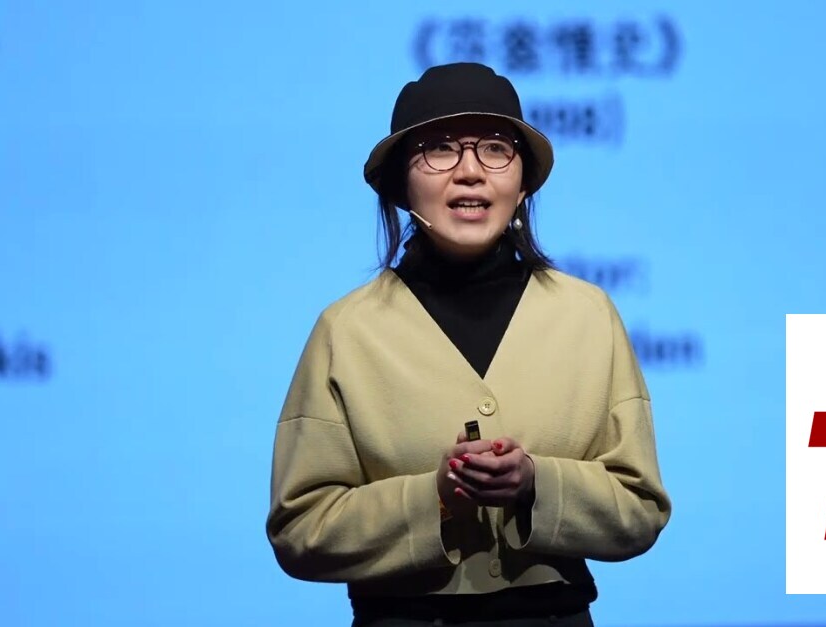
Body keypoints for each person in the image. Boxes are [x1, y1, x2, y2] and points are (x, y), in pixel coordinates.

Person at [266, 62, 671, 627]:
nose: (470, 173)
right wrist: (433, 498)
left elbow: (641, 506)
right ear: (399, 184)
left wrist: (536, 484)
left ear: (523, 183)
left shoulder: (587, 315)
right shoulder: (346, 330)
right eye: (439, 149)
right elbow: (300, 528)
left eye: (495, 149)